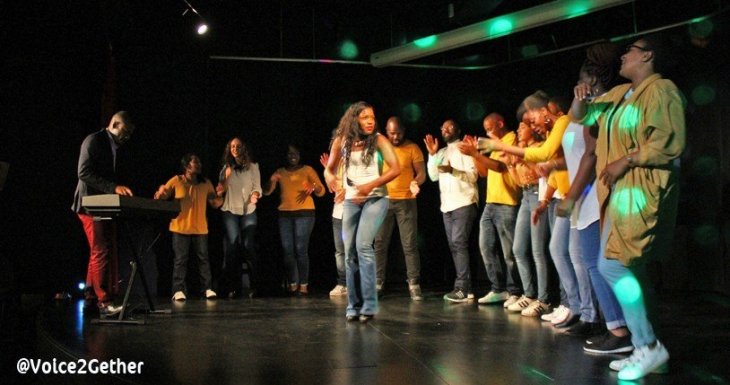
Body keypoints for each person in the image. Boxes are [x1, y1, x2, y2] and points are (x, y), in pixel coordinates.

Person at [571, 34, 685, 381]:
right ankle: (645, 349)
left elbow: (669, 141)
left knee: (612, 266)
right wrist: (579, 99)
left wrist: (627, 159)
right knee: (626, 269)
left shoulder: (661, 90)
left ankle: (648, 345)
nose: (622, 56)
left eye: (629, 51)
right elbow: (581, 117)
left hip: (640, 191)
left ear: (647, 55)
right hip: (619, 194)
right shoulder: (622, 94)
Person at [557, 42, 633, 353]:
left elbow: (590, 155)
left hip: (591, 196)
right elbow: (577, 118)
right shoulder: (587, 108)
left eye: (583, 78)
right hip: (583, 196)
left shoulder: (608, 105)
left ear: (593, 78)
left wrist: (572, 196)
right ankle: (613, 325)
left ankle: (618, 329)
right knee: (592, 264)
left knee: (599, 264)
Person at [325, 101, 400, 322]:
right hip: (351, 200)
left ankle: (369, 304)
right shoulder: (342, 141)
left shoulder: (378, 140)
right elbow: (329, 169)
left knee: (363, 246)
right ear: (354, 119)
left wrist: (370, 185)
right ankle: (353, 304)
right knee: (349, 253)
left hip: (376, 198)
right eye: (365, 117)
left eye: (372, 117)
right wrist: (331, 180)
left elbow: (396, 168)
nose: (370, 121)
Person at [71, 111, 135, 316]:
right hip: (89, 205)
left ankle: (91, 296)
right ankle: (104, 302)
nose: (127, 137)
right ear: (115, 124)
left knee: (98, 249)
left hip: (101, 204)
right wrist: (112, 187)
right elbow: (84, 172)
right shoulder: (94, 141)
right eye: (125, 132)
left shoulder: (114, 147)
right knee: (101, 249)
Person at [457, 113, 523, 307]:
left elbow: (501, 167)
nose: (487, 133)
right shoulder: (495, 144)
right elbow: (485, 172)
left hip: (507, 203)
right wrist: (474, 154)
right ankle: (498, 288)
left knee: (509, 253)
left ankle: (515, 291)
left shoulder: (511, 140)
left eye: (490, 128)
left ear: (500, 123)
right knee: (486, 247)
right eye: (485, 130)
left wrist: (476, 154)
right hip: (491, 203)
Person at [424, 119, 478, 303]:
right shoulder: (441, 152)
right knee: (455, 246)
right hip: (447, 206)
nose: (445, 129)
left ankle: (462, 287)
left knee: (458, 243)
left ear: (458, 129)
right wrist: (432, 155)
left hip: (464, 202)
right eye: (443, 127)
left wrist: (452, 170)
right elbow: (432, 176)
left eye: (450, 127)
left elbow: (473, 176)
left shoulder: (465, 148)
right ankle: (467, 288)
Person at [155, 153, 222, 301]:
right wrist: (161, 192)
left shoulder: (206, 183)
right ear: (186, 166)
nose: (199, 165)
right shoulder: (177, 180)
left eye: (199, 162)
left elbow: (215, 203)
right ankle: (178, 290)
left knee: (203, 259)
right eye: (195, 162)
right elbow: (161, 197)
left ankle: (207, 288)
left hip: (200, 228)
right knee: (180, 260)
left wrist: (221, 194)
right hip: (180, 227)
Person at [374, 117, 426, 300]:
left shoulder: (413, 148)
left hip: (406, 201)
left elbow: (421, 173)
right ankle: (378, 282)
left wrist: (415, 182)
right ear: (387, 132)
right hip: (384, 201)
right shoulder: (381, 147)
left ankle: (414, 283)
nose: (395, 136)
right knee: (380, 243)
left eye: (399, 133)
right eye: (392, 133)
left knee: (409, 244)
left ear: (404, 130)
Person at [264, 144, 326, 295]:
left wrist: (313, 187)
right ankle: (293, 282)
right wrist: (271, 180)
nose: (293, 156)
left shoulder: (307, 170)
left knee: (300, 249)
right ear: (286, 156)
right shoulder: (280, 172)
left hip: (305, 213)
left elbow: (321, 191)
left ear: (300, 155)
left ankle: (303, 284)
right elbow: (266, 192)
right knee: (288, 251)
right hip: (285, 215)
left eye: (296, 153)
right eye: (290, 153)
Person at [217, 137, 262, 299]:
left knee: (248, 245)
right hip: (230, 210)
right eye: (232, 146)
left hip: (248, 210)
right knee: (232, 246)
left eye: (238, 146)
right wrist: (226, 178)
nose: (235, 148)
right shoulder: (226, 168)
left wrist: (255, 195)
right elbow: (220, 190)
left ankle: (254, 286)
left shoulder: (253, 167)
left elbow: (257, 187)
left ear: (244, 148)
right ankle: (233, 287)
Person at [320, 132, 347, 297]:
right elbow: (331, 188)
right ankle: (343, 283)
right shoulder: (334, 163)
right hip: (338, 211)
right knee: (340, 251)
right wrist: (328, 172)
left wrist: (345, 189)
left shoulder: (355, 161)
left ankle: (357, 283)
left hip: (355, 209)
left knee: (355, 249)